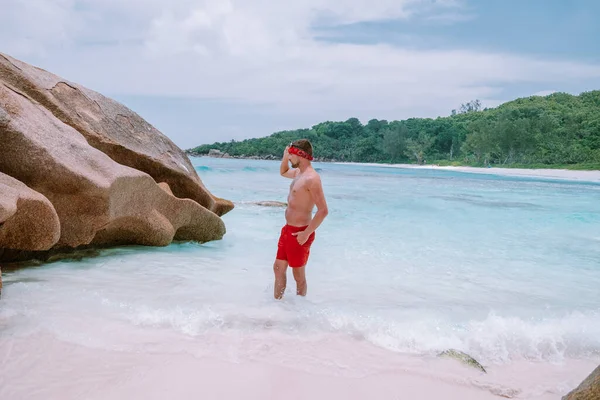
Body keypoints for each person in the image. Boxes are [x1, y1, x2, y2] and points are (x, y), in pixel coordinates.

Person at [273, 139, 328, 300]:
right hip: (287, 230)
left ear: (300, 155)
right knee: (278, 268)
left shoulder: (312, 179)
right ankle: (277, 306)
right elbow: (283, 172)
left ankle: (299, 311)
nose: (289, 159)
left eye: (291, 155)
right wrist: (284, 156)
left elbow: (323, 211)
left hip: (300, 233)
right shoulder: (298, 174)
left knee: (298, 276)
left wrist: (306, 233)